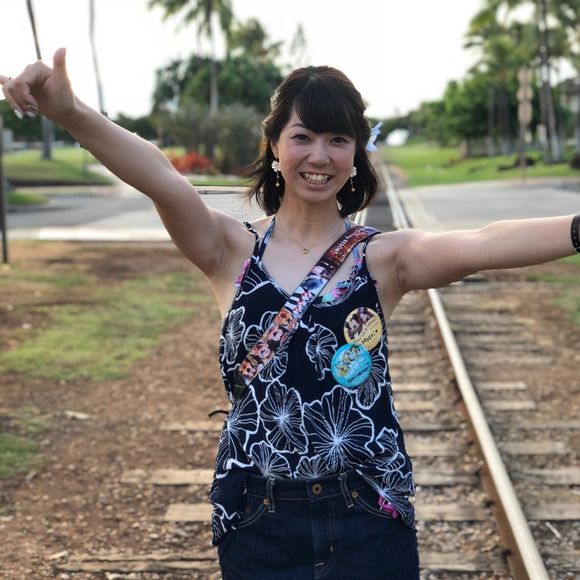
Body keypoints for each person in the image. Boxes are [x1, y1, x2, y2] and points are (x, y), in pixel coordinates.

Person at [2, 49, 578, 580]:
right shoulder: (229, 249)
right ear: (275, 145)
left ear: (356, 154)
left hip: (368, 510)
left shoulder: (383, 259)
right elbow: (160, 176)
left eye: (338, 139)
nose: (320, 156)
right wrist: (71, 113)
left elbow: (483, 241)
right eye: (303, 137)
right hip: (258, 516)